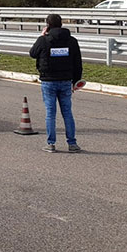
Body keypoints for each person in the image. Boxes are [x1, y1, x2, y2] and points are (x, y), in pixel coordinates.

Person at [29, 14, 83, 153]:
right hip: (66, 81)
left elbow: (32, 53)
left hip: (48, 81)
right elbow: (78, 63)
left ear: (48, 25)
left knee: (50, 113)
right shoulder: (72, 41)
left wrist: (41, 36)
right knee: (67, 113)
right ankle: (72, 143)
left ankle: (51, 143)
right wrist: (76, 81)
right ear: (61, 24)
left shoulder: (43, 40)